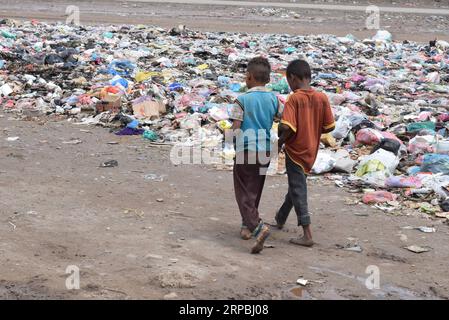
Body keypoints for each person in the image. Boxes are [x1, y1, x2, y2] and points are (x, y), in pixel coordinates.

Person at [273, 59, 335, 247]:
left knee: (298, 188)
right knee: (296, 184)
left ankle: (307, 233)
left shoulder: (295, 99)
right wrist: (311, 127)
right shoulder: (322, 97)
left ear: (292, 78)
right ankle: (281, 217)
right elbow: (328, 127)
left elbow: (288, 127)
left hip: (295, 150)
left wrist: (279, 143)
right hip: (311, 150)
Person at [227, 56, 282, 254]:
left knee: (242, 190)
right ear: (268, 79)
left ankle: (258, 227)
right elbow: (283, 119)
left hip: (246, 149)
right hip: (266, 150)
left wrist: (228, 141)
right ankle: (246, 225)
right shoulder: (274, 99)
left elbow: (236, 127)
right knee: (254, 188)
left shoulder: (241, 100)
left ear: (248, 77)